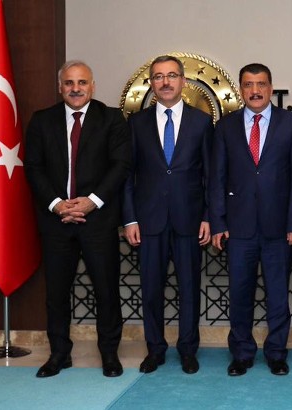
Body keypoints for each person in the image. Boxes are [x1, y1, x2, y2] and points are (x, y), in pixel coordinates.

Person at [25, 60, 131, 378]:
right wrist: (57, 204)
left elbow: (121, 165)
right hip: (57, 221)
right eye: (69, 83)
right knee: (56, 294)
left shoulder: (112, 118)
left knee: (106, 290)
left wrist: (91, 202)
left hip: (98, 221)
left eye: (82, 82)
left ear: (92, 86)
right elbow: (33, 167)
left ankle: (109, 354)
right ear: (60, 87)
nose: (75, 88)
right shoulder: (42, 120)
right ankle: (59, 354)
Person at [209, 63, 292, 377]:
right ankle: (241, 353)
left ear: (270, 88)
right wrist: (218, 223)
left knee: (278, 295)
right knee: (240, 294)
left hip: (279, 229)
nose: (255, 90)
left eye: (261, 84)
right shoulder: (225, 127)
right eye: (249, 85)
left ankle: (277, 353)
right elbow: (216, 178)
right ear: (241, 89)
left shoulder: (291, 124)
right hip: (238, 229)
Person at [122, 55, 213, 374]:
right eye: (159, 76)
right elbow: (128, 175)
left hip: (190, 219)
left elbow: (210, 175)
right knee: (151, 290)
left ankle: (188, 350)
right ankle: (155, 349)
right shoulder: (137, 123)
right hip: (149, 221)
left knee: (189, 288)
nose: (165, 82)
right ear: (152, 83)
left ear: (183, 81)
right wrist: (130, 218)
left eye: (172, 75)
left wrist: (208, 216)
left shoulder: (201, 122)